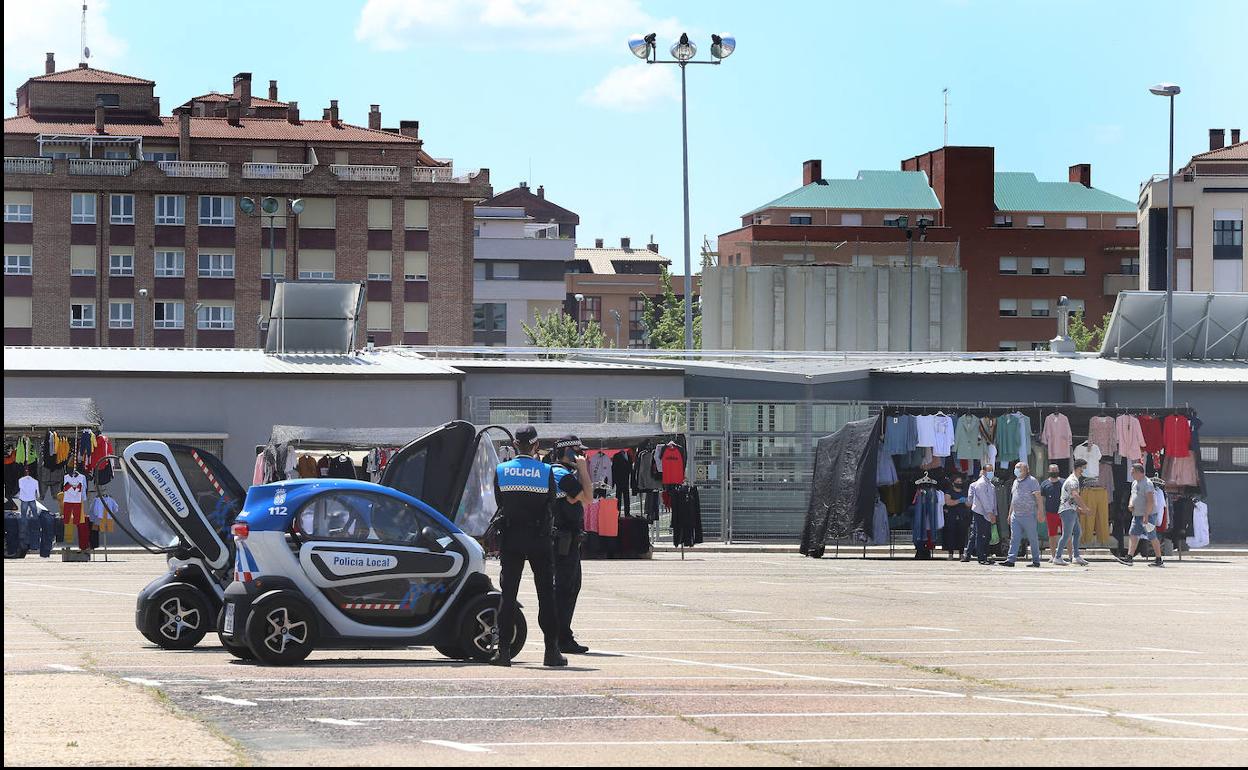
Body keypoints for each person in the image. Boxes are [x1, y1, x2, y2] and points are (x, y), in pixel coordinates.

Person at [491, 425, 566, 667]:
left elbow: (499, 502)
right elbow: (552, 503)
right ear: (536, 445)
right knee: (546, 595)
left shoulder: (501, 470)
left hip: (511, 538)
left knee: (508, 595)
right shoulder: (546, 471)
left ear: (515, 445)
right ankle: (551, 652)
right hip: (539, 539)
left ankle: (503, 652)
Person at [550, 435, 594, 655]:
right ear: (567, 452)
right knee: (564, 589)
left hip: (566, 541)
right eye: (578, 451)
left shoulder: (561, 473)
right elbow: (588, 497)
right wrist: (583, 470)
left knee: (570, 587)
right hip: (563, 542)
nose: (582, 455)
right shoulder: (561, 474)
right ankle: (561, 638)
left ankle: (563, 635)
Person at [999, 462, 1045, 567]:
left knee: (1032, 538)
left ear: (1026, 470)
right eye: (1016, 468)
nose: (1017, 470)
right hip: (1015, 515)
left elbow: (1038, 498)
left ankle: (1036, 561)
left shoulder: (1032, 481)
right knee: (1014, 538)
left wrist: (1040, 512)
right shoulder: (1015, 481)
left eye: (1019, 468)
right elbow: (1014, 499)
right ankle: (1011, 560)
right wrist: (1010, 514)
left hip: (1029, 514)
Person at [1118, 463, 1164, 567]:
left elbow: (1150, 501)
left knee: (1152, 536)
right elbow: (1133, 495)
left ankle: (1159, 559)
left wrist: (1146, 515)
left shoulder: (1147, 484)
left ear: (1139, 472)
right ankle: (1129, 557)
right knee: (1133, 534)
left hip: (1148, 515)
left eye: (1133, 472)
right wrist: (1130, 504)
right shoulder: (1134, 483)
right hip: (1137, 515)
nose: (1131, 474)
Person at [1054, 459, 1091, 566]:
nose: (1085, 470)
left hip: (1071, 510)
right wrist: (1085, 508)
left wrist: (1079, 509)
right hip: (1067, 511)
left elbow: (1071, 499)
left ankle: (1076, 556)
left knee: (1077, 532)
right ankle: (1057, 557)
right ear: (1079, 468)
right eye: (1084, 468)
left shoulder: (1074, 480)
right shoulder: (1073, 481)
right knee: (1066, 534)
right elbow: (1075, 495)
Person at [965, 466, 997, 564]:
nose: (991, 472)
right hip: (980, 512)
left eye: (992, 471)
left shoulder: (991, 485)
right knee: (980, 535)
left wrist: (994, 513)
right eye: (989, 471)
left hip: (988, 513)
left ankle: (984, 556)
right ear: (983, 471)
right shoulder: (980, 484)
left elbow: (993, 501)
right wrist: (990, 512)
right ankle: (981, 558)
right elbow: (984, 500)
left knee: (985, 535)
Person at [943, 474, 970, 560]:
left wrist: (965, 501)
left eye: (960, 481)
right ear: (953, 482)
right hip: (951, 516)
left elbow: (969, 504)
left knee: (962, 535)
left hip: (963, 516)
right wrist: (958, 501)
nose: (959, 483)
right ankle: (950, 554)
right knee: (951, 535)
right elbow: (948, 502)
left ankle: (961, 553)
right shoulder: (949, 491)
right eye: (957, 481)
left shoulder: (965, 492)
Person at [1039, 464, 1064, 560]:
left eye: (1056, 470)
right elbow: (1041, 499)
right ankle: (1053, 556)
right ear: (1049, 471)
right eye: (1052, 470)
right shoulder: (1044, 484)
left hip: (1063, 513)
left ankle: (1071, 556)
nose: (1054, 472)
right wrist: (1041, 512)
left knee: (1067, 535)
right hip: (1050, 513)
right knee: (1052, 535)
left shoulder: (1064, 482)